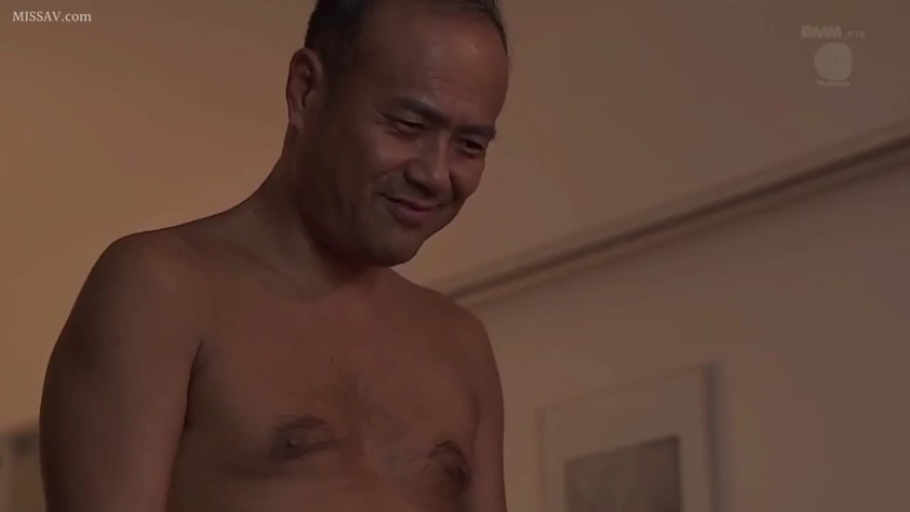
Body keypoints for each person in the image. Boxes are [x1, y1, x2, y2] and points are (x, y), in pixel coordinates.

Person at [38, 0, 511, 511]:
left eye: (469, 145)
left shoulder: (462, 345)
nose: (436, 174)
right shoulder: (161, 291)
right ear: (306, 91)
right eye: (407, 124)